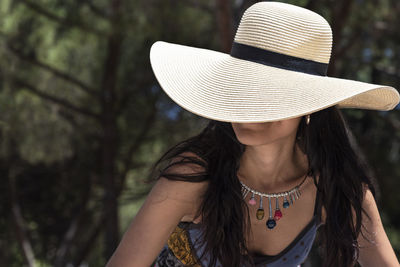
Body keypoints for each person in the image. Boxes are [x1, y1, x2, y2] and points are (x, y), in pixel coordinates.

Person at [106, 2, 400, 267]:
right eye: (242, 88)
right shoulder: (191, 177)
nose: (248, 107)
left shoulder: (338, 189)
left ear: (311, 107)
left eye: (270, 94)